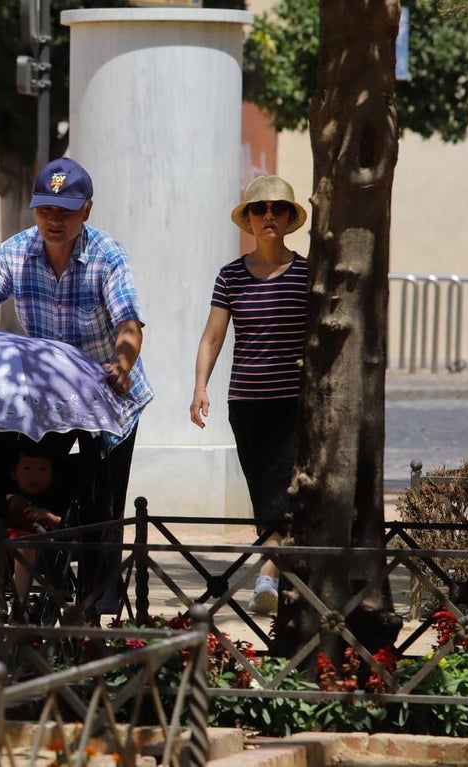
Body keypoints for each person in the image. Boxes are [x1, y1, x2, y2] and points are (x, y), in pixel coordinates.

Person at [0, 156, 153, 617]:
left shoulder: (107, 256)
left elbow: (129, 324)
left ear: (87, 211)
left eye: (66, 211)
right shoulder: (14, 253)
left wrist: (122, 363)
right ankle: (24, 595)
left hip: (107, 398)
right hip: (47, 402)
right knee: (36, 491)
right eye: (45, 210)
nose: (54, 220)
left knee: (102, 505)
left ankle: (98, 610)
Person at [189, 175, 309, 616]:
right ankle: (278, 571)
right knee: (262, 490)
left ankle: (267, 576)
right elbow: (212, 338)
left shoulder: (306, 273)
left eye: (278, 208)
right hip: (245, 404)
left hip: (292, 404)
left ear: (291, 217)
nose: (269, 216)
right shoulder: (231, 275)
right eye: (260, 209)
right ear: (250, 220)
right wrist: (200, 388)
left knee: (280, 488)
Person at [0, 438, 64, 626]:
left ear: (53, 474)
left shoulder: (55, 495)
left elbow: (65, 524)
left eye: (42, 470)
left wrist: (48, 516)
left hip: (30, 545)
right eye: (26, 469)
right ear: (13, 473)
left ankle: (19, 605)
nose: (34, 476)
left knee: (25, 545)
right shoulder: (1, 489)